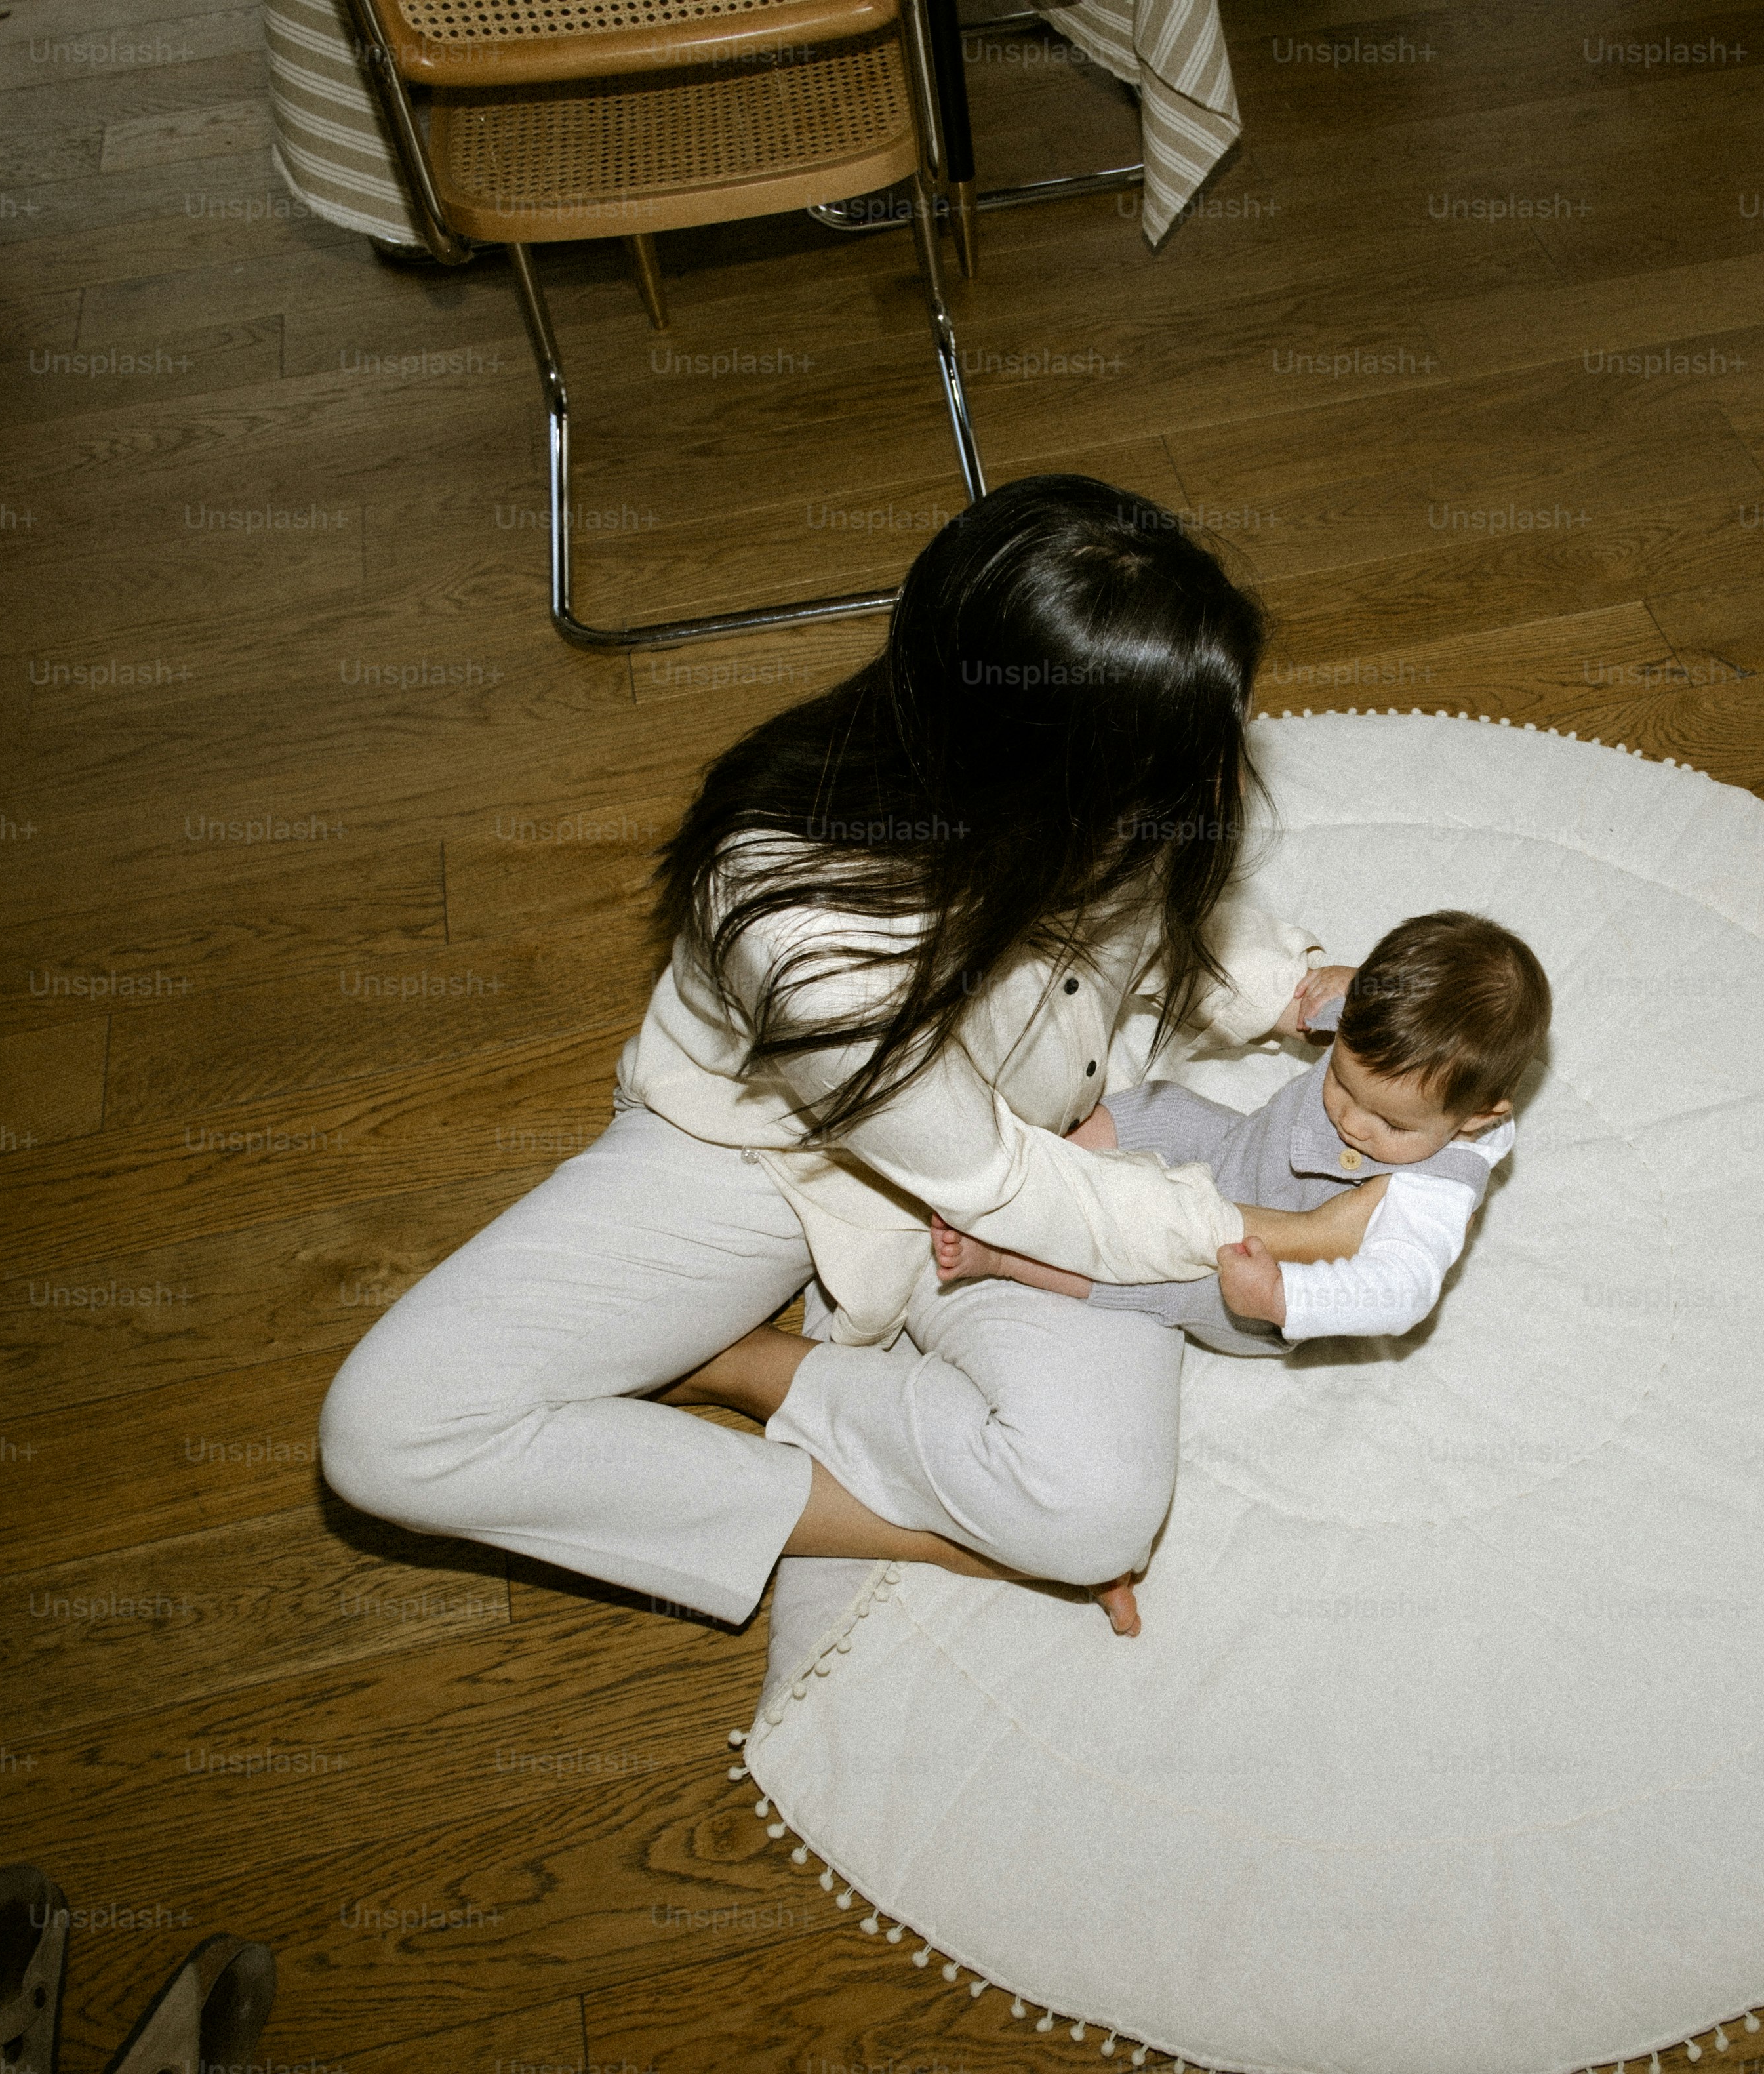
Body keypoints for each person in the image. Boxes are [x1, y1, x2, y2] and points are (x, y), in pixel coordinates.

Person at [317, 475, 1377, 1639]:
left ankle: (753, 1366)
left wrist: (1295, 988)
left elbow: (1132, 941)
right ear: (1035, 782)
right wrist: (1261, 1233)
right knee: (391, 1432)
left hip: (1040, 1135)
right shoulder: (799, 917)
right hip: (775, 1166)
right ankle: (917, 1531)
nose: (1211, 795)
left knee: (1092, 1512)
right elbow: (998, 1186)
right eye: (1171, 776)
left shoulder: (1085, 790)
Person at [931, 910, 1548, 1357]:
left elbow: (1402, 1290)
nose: (1352, 1122)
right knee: (1160, 1105)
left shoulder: (1436, 1192)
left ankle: (1008, 1258)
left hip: (1252, 1266)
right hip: (1241, 1148)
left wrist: (1284, 1296)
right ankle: (1038, 1162)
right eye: (1341, 1081)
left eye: (1389, 1123)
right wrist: (1347, 980)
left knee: (1165, 1278)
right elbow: (1382, 1013)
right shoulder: (1382, 1027)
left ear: (1477, 1116)